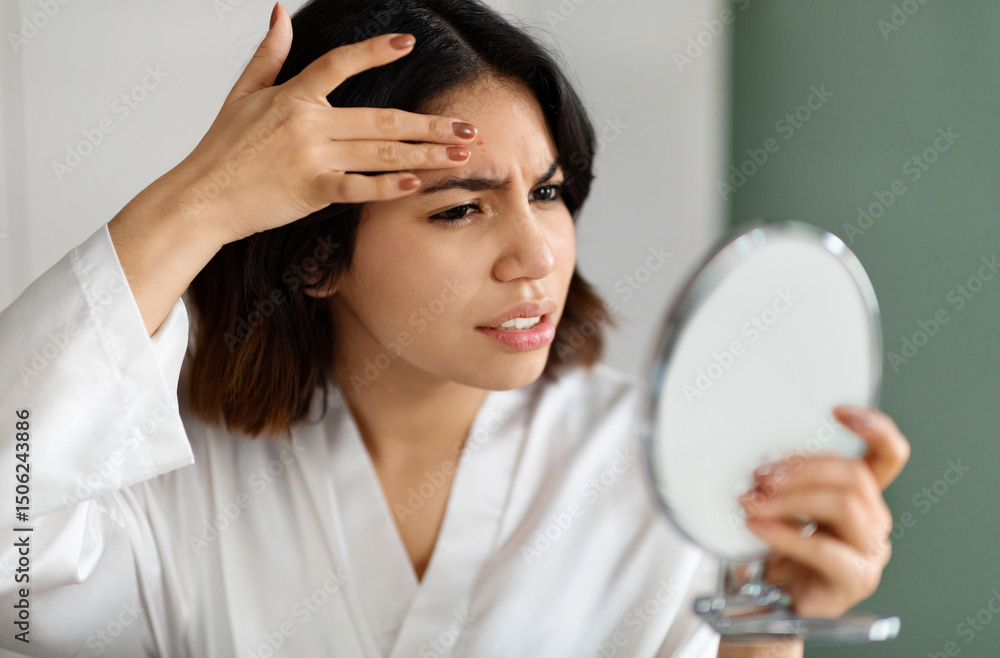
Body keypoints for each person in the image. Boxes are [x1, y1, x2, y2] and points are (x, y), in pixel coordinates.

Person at [0, 1, 910, 656]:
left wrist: (770, 628)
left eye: (548, 194)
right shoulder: (170, 492)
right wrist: (201, 200)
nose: (536, 256)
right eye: (457, 211)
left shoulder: (676, 477)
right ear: (317, 257)